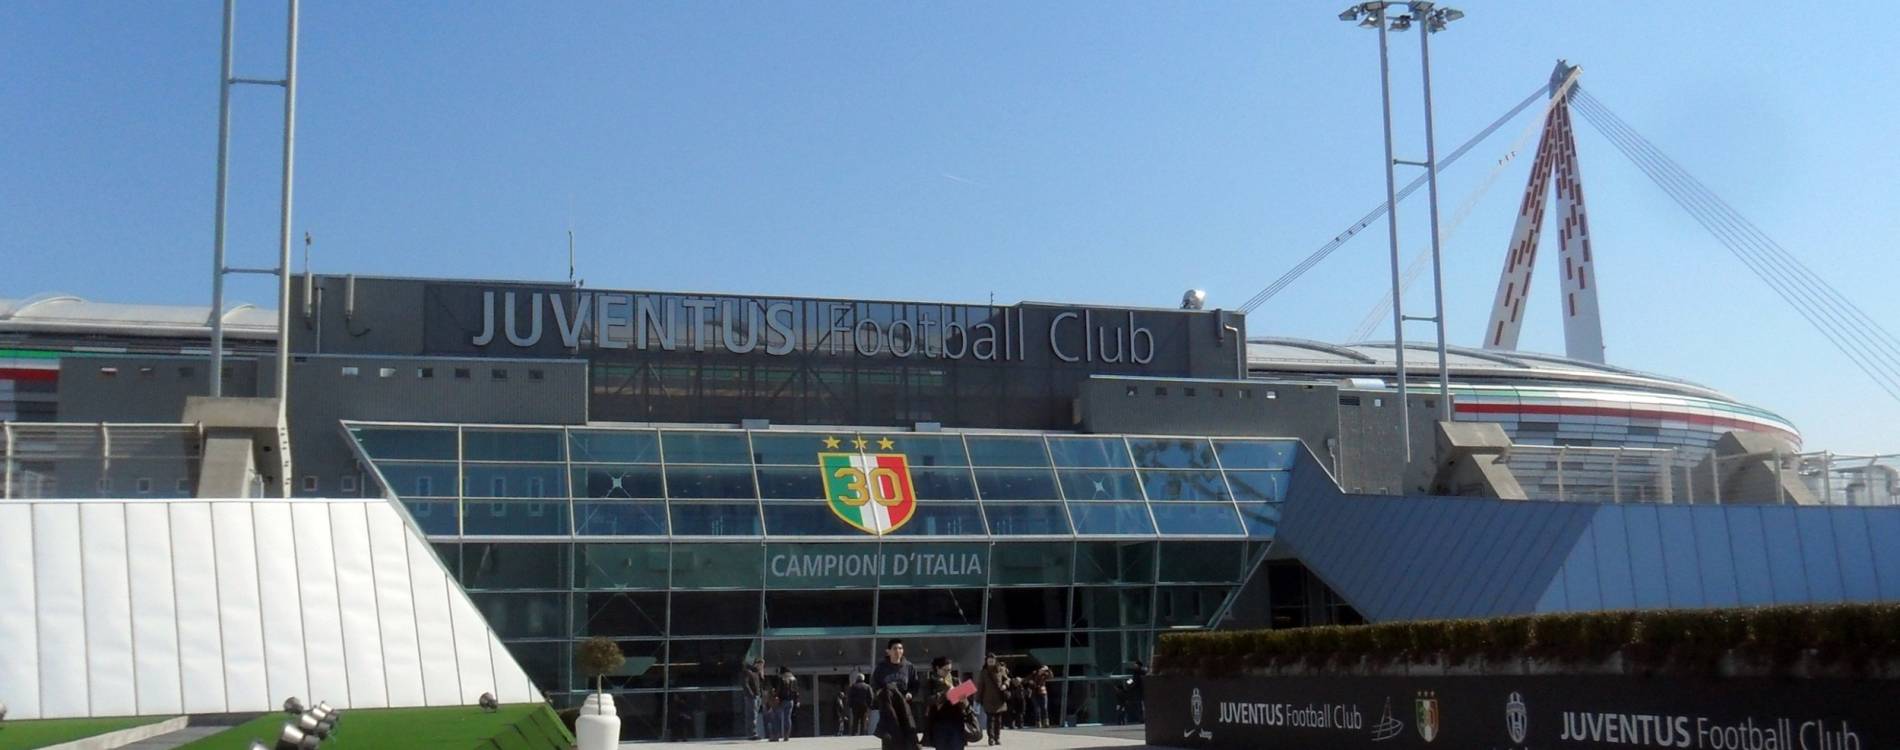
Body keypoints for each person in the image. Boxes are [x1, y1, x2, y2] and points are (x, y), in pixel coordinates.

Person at [871, 638, 920, 750]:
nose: (898, 651)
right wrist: (880, 693)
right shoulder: (881, 667)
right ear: (888, 651)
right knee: (890, 739)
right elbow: (874, 684)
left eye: (900, 648)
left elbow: (915, 685)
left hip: (904, 709)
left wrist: (910, 694)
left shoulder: (909, 666)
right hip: (889, 709)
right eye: (895, 648)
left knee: (908, 739)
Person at [923, 656, 970, 750]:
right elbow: (927, 700)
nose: (948, 673)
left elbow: (966, 704)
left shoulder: (955, 681)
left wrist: (963, 700)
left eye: (950, 670)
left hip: (956, 722)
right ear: (937, 668)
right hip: (939, 723)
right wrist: (945, 694)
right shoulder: (930, 682)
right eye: (945, 670)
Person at [977, 654, 1010, 745]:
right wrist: (977, 700)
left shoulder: (1001, 670)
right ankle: (991, 738)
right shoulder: (983, 672)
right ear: (986, 661)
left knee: (998, 721)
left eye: (992, 660)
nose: (990, 662)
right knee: (990, 720)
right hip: (988, 700)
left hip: (999, 699)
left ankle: (997, 737)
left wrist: (1005, 685)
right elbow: (980, 687)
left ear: (995, 661)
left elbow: (1007, 680)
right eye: (989, 660)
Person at [772, 667, 802, 741]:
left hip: (782, 700)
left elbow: (779, 690)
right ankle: (786, 736)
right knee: (787, 718)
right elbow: (796, 691)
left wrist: (775, 696)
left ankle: (776, 736)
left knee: (777, 717)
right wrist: (797, 701)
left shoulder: (782, 679)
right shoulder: (794, 679)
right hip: (790, 701)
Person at [743, 659, 766, 741]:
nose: (761, 666)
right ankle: (752, 733)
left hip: (758, 696)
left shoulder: (757, 673)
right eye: (760, 664)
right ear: (756, 664)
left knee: (755, 715)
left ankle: (753, 732)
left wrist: (761, 673)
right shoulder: (749, 672)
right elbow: (745, 684)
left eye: (762, 665)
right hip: (751, 696)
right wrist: (751, 694)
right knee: (751, 715)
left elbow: (761, 683)